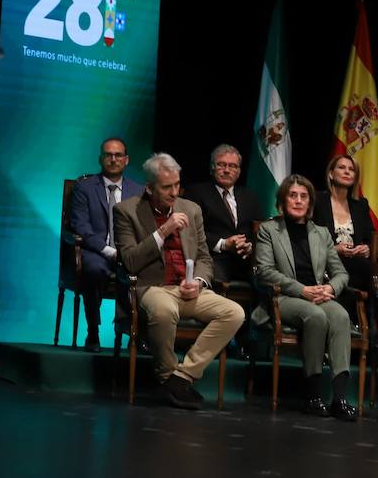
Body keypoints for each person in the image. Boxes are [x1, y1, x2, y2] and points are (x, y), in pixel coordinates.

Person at [113, 152, 244, 409]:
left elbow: (205, 258)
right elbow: (129, 260)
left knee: (234, 313)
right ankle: (166, 376)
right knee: (164, 309)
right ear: (149, 188)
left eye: (176, 185)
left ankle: (181, 377)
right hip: (153, 287)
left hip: (189, 289)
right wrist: (163, 230)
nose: (174, 192)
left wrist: (199, 281)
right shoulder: (126, 211)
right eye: (166, 187)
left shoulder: (191, 209)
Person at [253, 174, 358, 419]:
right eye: (293, 195)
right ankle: (313, 395)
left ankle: (340, 398)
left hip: (319, 295)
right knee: (315, 316)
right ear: (283, 200)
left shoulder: (321, 233)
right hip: (286, 297)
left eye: (303, 196)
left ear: (310, 203)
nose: (298, 201)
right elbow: (265, 272)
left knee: (341, 316)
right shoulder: (269, 230)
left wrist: (330, 288)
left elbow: (341, 273)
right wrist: (302, 290)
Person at [68, 137, 143, 350]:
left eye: (118, 155)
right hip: (97, 250)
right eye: (108, 155)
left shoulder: (138, 191)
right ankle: (93, 331)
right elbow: (81, 226)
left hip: (128, 253)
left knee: (148, 271)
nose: (113, 159)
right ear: (100, 158)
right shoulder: (84, 187)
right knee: (93, 269)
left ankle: (135, 334)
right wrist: (109, 251)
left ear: (126, 160)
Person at [186, 143, 263, 283]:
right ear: (212, 168)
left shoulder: (250, 197)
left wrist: (250, 246)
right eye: (221, 164)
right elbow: (190, 231)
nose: (227, 170)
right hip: (214, 258)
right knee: (215, 277)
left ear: (239, 171)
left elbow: (260, 231)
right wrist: (223, 244)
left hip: (247, 261)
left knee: (269, 280)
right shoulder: (195, 193)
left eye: (233, 166)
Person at [311, 154, 374, 296]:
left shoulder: (361, 205)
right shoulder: (318, 200)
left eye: (351, 169)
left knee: (368, 268)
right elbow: (308, 237)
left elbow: (370, 237)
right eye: (342, 168)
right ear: (331, 174)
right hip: (326, 261)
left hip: (356, 262)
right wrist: (334, 249)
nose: (347, 172)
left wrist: (366, 248)